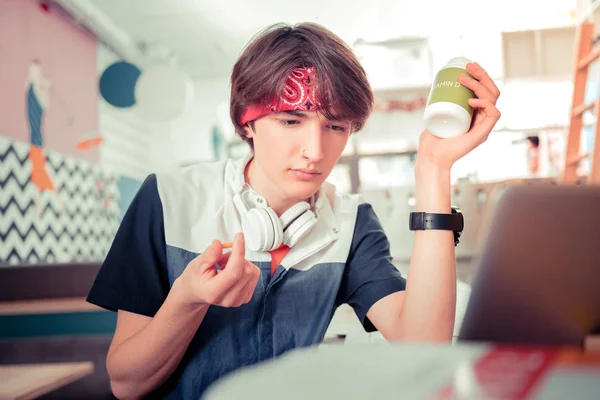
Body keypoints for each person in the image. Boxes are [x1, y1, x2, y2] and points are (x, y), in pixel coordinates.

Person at [86, 22, 501, 399]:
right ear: (247, 122)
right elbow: (126, 383)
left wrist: (434, 169)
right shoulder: (168, 199)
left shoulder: (352, 223)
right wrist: (188, 299)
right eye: (290, 121)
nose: (315, 152)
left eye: (335, 126)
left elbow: (423, 345)